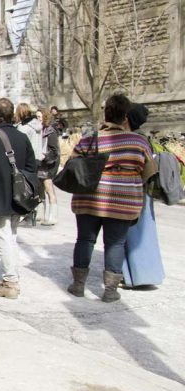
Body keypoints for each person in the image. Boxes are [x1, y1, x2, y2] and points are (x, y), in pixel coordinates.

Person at [67, 94, 157, 302]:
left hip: (88, 200)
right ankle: (110, 291)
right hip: (123, 202)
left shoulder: (88, 140)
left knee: (85, 240)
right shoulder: (138, 142)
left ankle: (78, 285)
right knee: (115, 244)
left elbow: (74, 167)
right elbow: (149, 171)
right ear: (125, 116)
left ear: (106, 113)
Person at [0, 98, 37, 299]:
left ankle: (10, 282)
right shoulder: (22, 137)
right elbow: (31, 167)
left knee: (4, 237)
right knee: (11, 236)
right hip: (18, 196)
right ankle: (13, 276)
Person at [121, 103, 165, 288]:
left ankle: (135, 276)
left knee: (131, 234)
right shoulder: (143, 139)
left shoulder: (132, 140)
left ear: (128, 119)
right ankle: (147, 274)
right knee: (145, 233)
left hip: (133, 192)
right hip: (143, 192)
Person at [37, 108, 60, 226]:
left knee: (49, 188)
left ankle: (53, 216)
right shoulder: (39, 130)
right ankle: (40, 214)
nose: (38, 119)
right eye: (36, 117)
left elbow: (54, 151)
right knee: (40, 188)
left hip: (48, 164)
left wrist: (45, 156)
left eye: (39, 117)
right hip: (40, 163)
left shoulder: (50, 131)